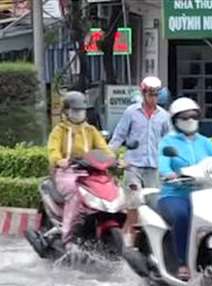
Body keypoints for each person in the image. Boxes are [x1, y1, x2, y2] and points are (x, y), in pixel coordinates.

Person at [158, 97, 212, 281]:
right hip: (175, 194)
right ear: (175, 121)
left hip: (203, 194)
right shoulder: (168, 142)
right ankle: (182, 262)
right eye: (185, 117)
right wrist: (169, 174)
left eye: (194, 117)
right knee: (183, 216)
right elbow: (163, 163)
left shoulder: (204, 142)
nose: (190, 121)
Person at [109, 76, 171, 246]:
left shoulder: (164, 116)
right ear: (143, 94)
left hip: (154, 169)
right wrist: (111, 157)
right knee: (133, 211)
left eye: (156, 95)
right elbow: (119, 136)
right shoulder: (131, 112)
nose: (153, 98)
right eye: (150, 94)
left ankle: (149, 247)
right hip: (133, 167)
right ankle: (125, 248)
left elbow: (169, 142)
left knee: (154, 211)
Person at [47, 91, 112, 250]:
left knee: (111, 188)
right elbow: (52, 150)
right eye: (75, 110)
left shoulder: (90, 130)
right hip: (67, 172)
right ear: (66, 111)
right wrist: (59, 160)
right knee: (75, 194)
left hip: (89, 172)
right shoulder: (59, 130)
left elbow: (104, 149)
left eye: (82, 110)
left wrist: (114, 159)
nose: (79, 113)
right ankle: (68, 238)